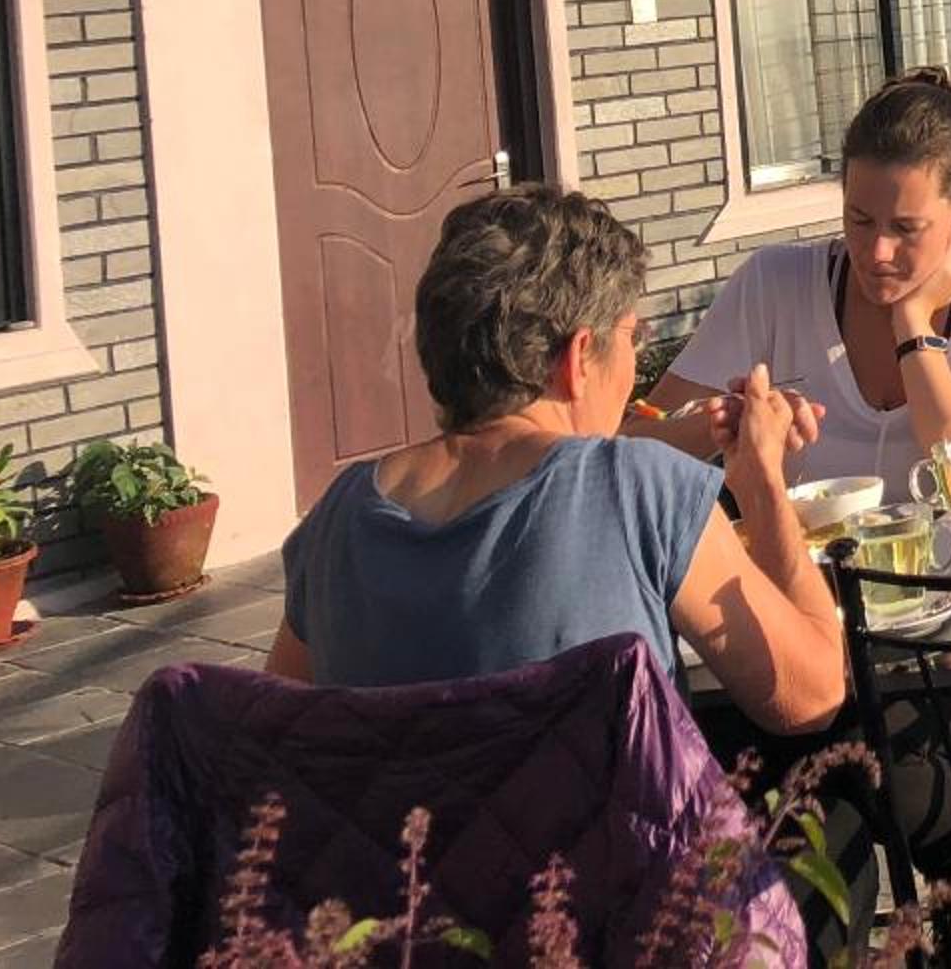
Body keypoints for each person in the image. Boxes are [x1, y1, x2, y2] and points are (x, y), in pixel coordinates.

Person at [265, 186, 845, 736]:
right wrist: (762, 481)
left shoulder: (339, 517)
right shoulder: (638, 490)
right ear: (578, 358)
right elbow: (811, 696)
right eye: (632, 336)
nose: (634, 358)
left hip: (407, 814)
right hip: (603, 815)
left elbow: (280, 733)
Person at [640, 66, 951, 498]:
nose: (878, 251)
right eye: (859, 220)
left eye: (905, 228)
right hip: (799, 545)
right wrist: (726, 422)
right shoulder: (774, 282)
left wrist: (913, 325)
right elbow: (633, 442)